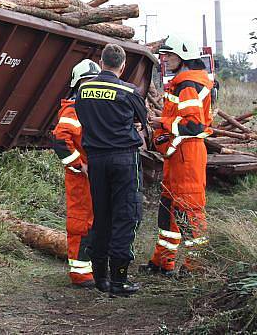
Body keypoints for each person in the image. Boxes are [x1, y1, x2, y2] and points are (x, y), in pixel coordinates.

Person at [74, 43, 148, 297]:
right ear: (122, 65)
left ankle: (100, 278)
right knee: (126, 216)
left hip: (96, 160)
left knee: (101, 216)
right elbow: (142, 121)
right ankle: (119, 281)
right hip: (123, 159)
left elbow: (82, 118)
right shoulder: (129, 91)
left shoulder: (83, 89)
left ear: (101, 63)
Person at [141, 35, 213, 276]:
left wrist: (162, 121)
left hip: (188, 156)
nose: (165, 59)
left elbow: (193, 125)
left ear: (184, 57)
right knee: (168, 211)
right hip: (179, 156)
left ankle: (196, 269)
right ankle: (162, 262)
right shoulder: (183, 83)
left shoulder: (188, 85)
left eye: (170, 55)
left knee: (190, 213)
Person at [52, 59, 101, 288]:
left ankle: (94, 267)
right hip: (81, 178)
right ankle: (80, 273)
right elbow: (61, 140)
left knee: (98, 222)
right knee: (81, 223)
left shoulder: (95, 107)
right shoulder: (73, 109)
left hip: (98, 175)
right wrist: (79, 165)